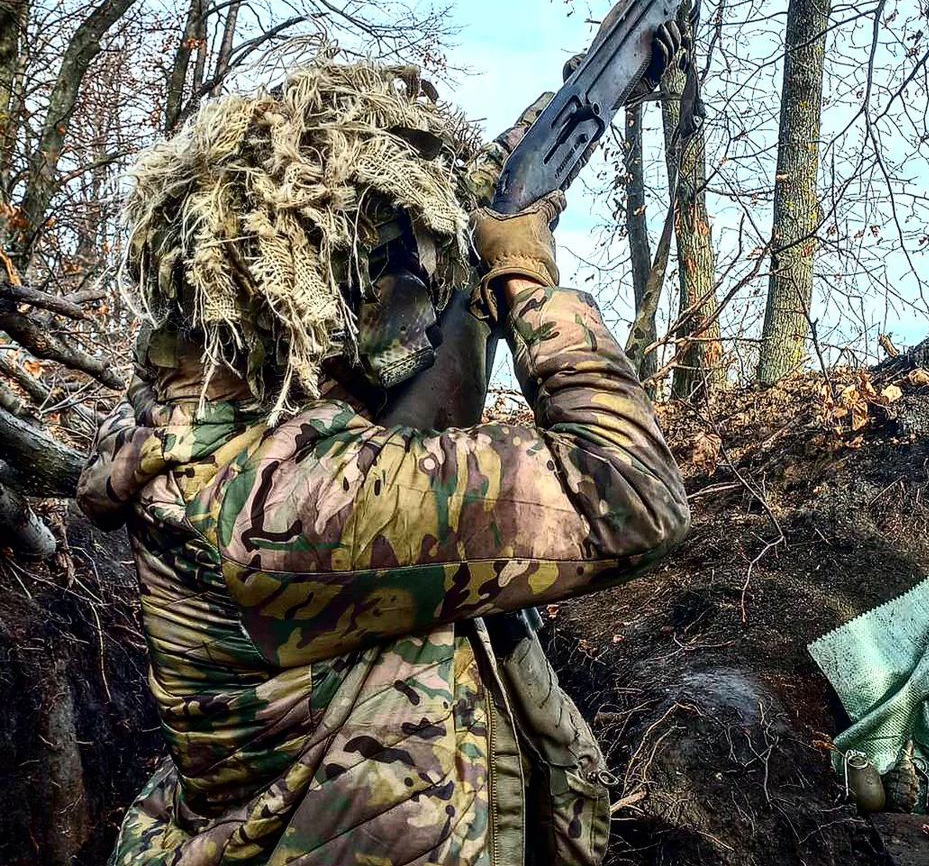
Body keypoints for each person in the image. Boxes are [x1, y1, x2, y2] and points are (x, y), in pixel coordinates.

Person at [77, 51, 689, 866]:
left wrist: (591, 91)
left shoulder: (223, 427)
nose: (420, 293)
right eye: (397, 268)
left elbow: (456, 205)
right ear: (326, 284)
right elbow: (631, 493)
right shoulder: (281, 500)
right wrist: (527, 279)